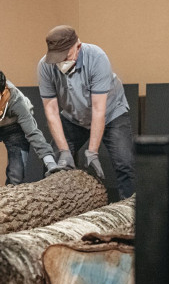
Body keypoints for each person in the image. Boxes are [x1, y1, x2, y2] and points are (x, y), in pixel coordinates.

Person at [37, 25, 135, 200]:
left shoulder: (97, 58)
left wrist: (92, 152)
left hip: (111, 113)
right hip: (73, 116)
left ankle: (129, 212)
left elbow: (99, 109)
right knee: (55, 162)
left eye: (65, 56)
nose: (60, 62)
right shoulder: (45, 66)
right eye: (56, 58)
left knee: (124, 163)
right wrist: (64, 151)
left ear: (78, 46)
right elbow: (51, 110)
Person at [0, 67, 62, 188]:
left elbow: (32, 132)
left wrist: (49, 162)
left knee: (16, 175)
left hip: (14, 127)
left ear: (3, 91)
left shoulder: (15, 98)